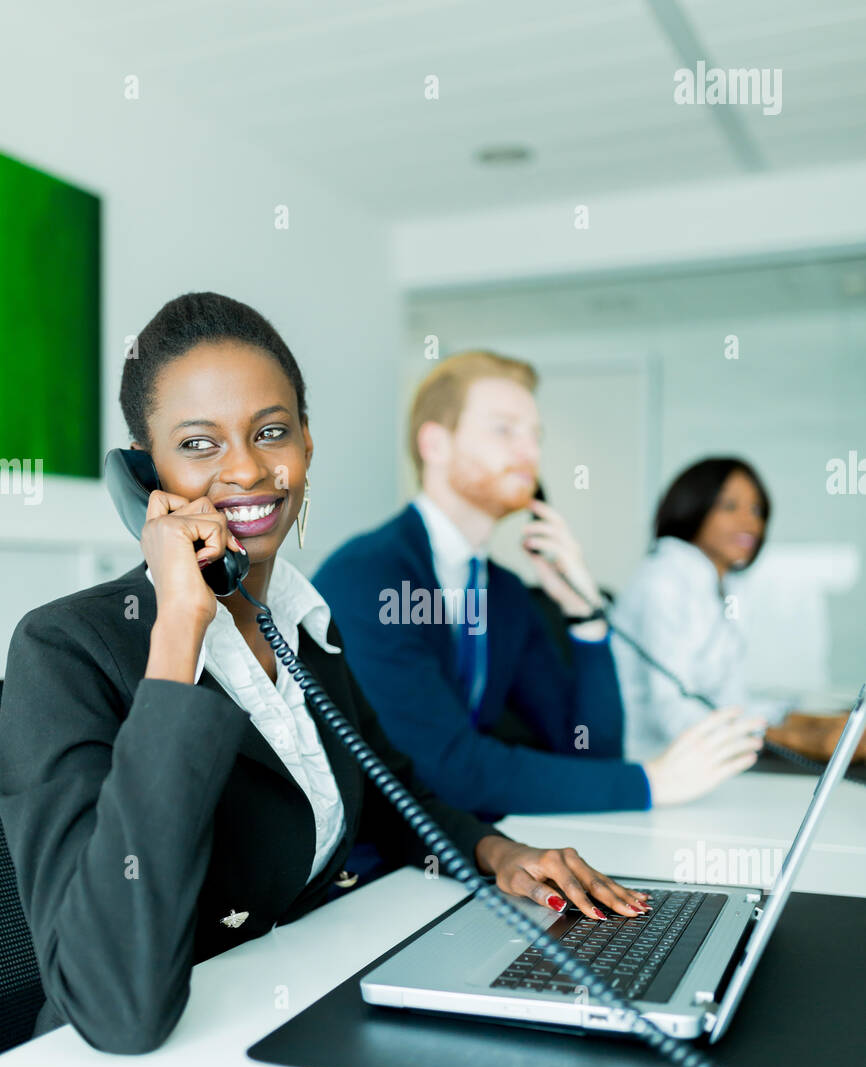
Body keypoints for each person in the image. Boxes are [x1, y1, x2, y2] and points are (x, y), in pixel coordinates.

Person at [0, 294, 656, 1056]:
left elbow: (388, 791)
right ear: (146, 475)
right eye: (199, 444)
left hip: (293, 1019)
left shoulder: (305, 623)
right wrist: (180, 622)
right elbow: (117, 1009)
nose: (247, 468)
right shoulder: (65, 650)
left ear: (306, 444)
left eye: (271, 432)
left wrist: (499, 855)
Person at [313, 351, 763, 821]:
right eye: (504, 429)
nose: (529, 452)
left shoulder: (503, 593)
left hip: (465, 846)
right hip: (369, 865)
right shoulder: (371, 575)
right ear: (435, 444)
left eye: (536, 436)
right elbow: (446, 767)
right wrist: (650, 781)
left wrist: (585, 617)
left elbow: (586, 750)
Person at [610, 457, 789, 761]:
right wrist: (777, 735)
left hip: (704, 757)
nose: (749, 522)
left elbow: (728, 699)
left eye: (757, 510)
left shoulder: (727, 587)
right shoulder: (662, 580)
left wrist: (787, 717)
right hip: (649, 761)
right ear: (692, 508)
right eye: (730, 507)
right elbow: (670, 713)